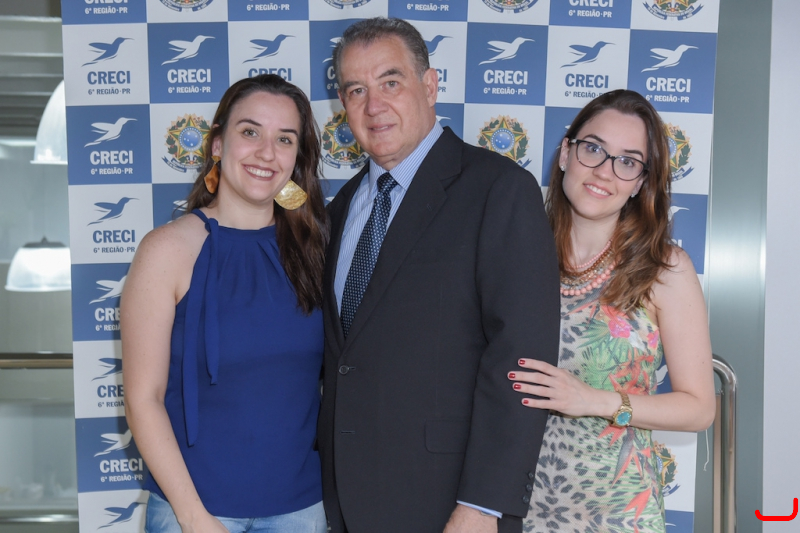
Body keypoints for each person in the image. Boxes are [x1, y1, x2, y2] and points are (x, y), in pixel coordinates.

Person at [318, 17, 560, 533]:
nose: (373, 105)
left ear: (429, 86)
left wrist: (484, 505)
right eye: (356, 90)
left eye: (390, 82)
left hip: (451, 506)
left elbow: (520, 359)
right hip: (343, 504)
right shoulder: (339, 210)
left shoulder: (498, 189)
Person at [120, 74, 328, 533]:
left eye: (284, 139)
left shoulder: (317, 250)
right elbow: (142, 399)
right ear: (217, 144)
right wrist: (194, 516)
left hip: (302, 510)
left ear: (296, 158)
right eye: (250, 132)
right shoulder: (166, 250)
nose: (266, 153)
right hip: (193, 512)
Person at [510, 89, 716, 532]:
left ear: (640, 182)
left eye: (627, 161)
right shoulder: (516, 254)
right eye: (593, 149)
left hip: (618, 513)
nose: (604, 170)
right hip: (515, 507)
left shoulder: (664, 269)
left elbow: (699, 409)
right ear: (566, 154)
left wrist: (595, 401)